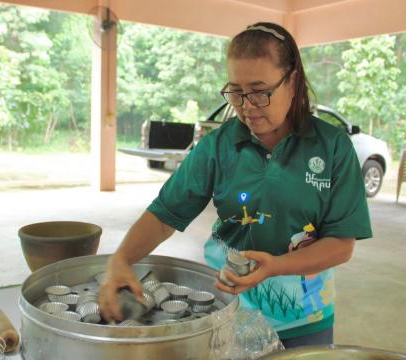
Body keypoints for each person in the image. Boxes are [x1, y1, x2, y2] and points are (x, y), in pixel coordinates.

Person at [99, 22, 372, 348]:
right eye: (236, 92)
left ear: (293, 81)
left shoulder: (332, 147)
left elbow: (341, 244)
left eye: (259, 91)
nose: (246, 106)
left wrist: (277, 266)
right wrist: (121, 259)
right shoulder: (219, 145)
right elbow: (164, 215)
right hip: (225, 310)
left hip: (304, 318)